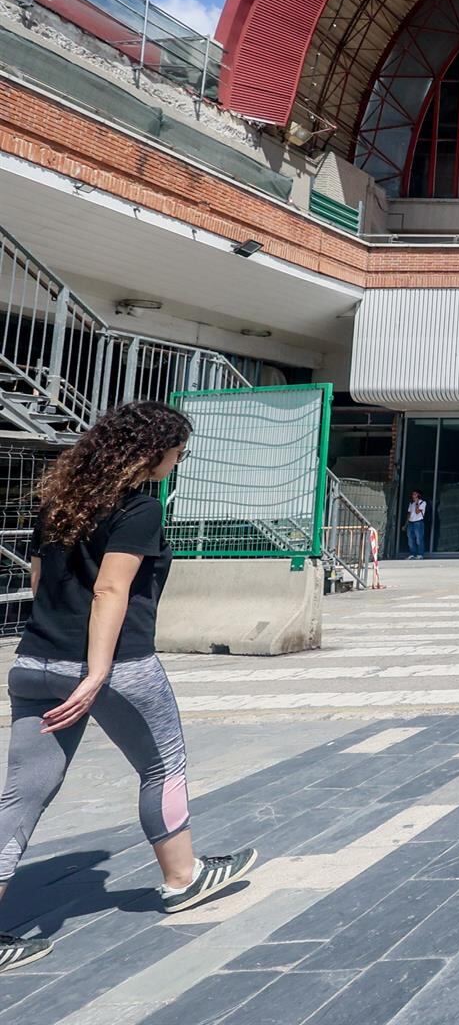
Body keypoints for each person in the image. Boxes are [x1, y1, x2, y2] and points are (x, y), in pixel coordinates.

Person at [0, 402, 258, 972]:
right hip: (116, 666)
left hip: (36, 661)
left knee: (22, 794)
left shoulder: (58, 499)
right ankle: (182, 878)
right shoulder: (137, 508)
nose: (179, 461)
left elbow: (39, 579)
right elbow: (110, 592)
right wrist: (96, 672)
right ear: (149, 454)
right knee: (163, 765)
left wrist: (54, 647)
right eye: (177, 451)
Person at [404, 489, 428, 559]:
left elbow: (417, 512)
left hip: (418, 522)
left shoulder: (423, 503)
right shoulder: (411, 503)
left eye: (415, 494)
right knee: (410, 539)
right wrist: (406, 524)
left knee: (419, 538)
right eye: (413, 494)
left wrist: (417, 503)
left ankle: (420, 554)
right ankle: (412, 553)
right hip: (411, 522)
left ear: (418, 495)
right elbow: (409, 514)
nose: (413, 496)